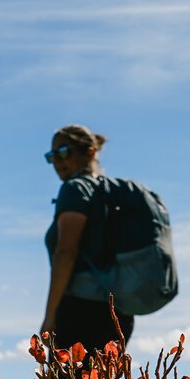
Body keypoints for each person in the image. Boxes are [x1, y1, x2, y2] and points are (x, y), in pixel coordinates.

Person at [40, 124, 134, 355]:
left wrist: (50, 315)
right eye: (51, 156)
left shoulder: (75, 189)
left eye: (63, 151)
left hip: (79, 311)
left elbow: (66, 252)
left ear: (90, 151)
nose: (57, 161)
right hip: (118, 313)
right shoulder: (110, 193)